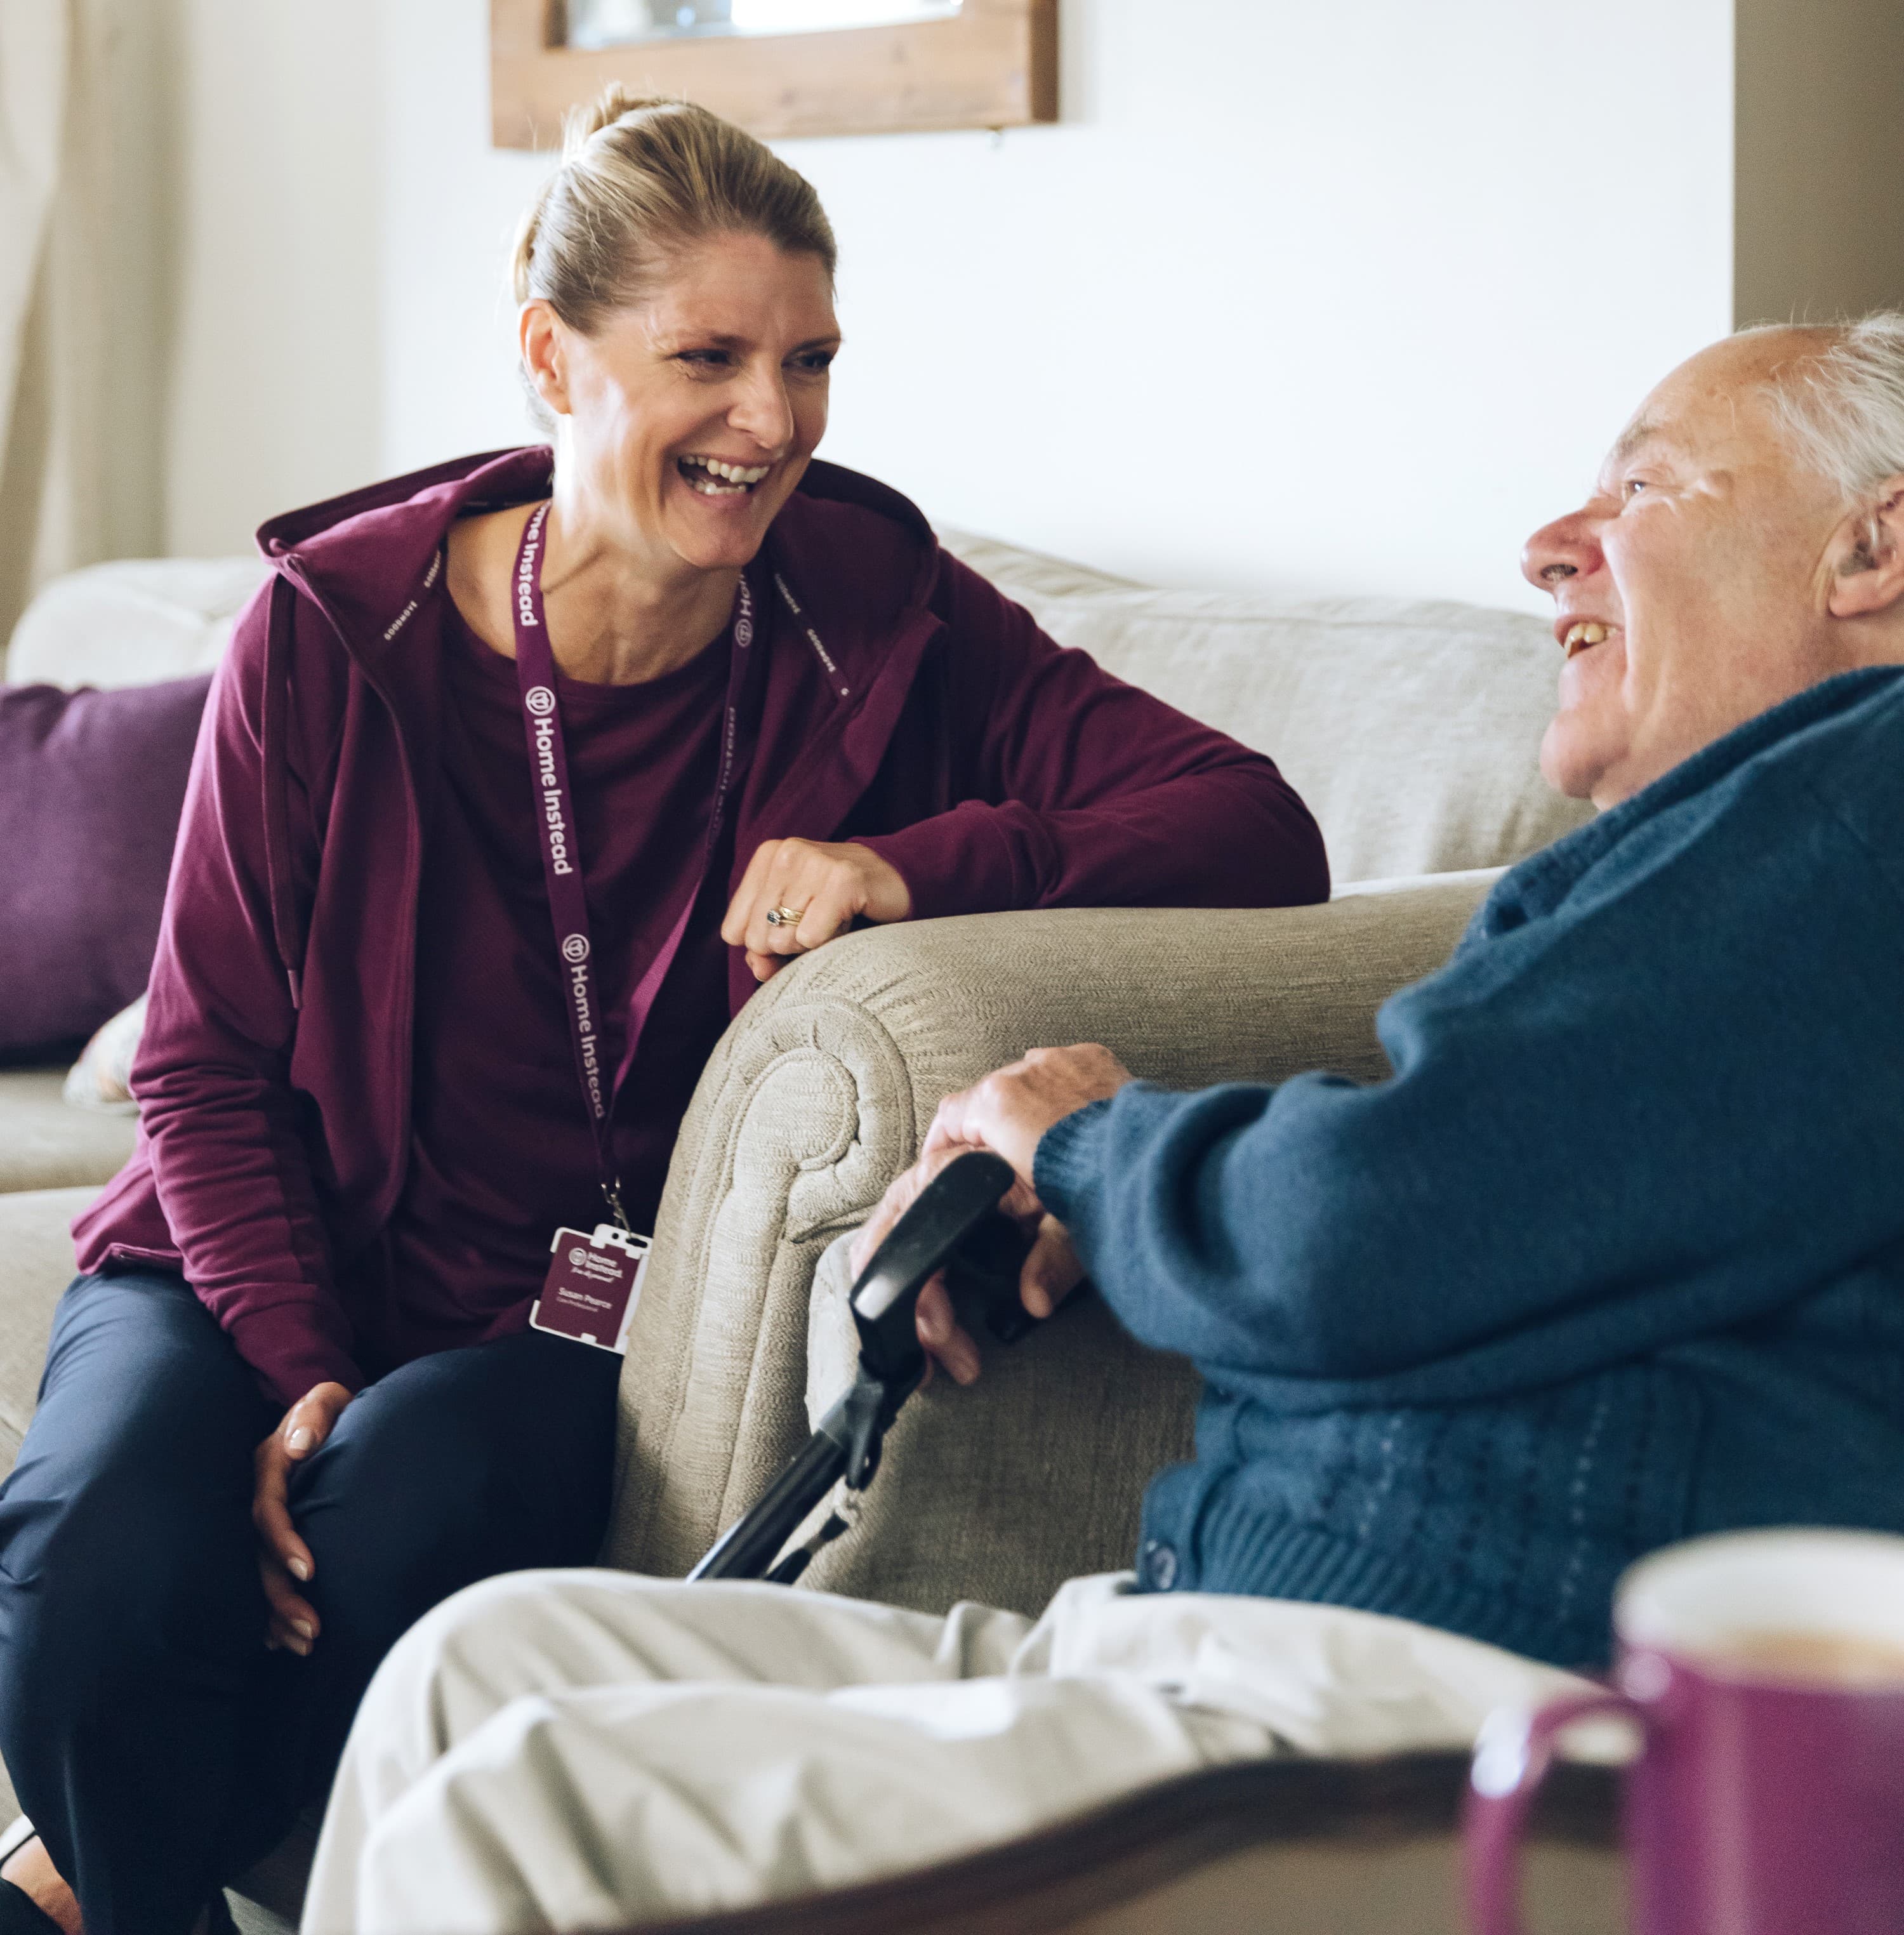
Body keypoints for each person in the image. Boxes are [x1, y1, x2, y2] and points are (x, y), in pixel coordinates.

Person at [298, 315, 1904, 1935]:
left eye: (1643, 488)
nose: (1553, 544)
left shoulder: (1860, 809)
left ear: (1873, 547)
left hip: (1447, 1710)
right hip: (1226, 1633)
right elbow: (1502, 1184)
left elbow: (1367, 1229)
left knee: (530, 1797)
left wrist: (1091, 1147)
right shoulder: (1708, 873)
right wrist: (1122, 1190)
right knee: (474, 1668)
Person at [0, 91, 1328, 1935]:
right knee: (96, 1580)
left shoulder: (880, 612)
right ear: (553, 356)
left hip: (557, 1318)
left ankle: (73, 1879)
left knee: (400, 1511)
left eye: (810, 359)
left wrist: (922, 863)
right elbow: (206, 1067)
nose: (771, 421)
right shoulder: (333, 633)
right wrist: (297, 1363)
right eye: (707, 357)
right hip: (252, 1257)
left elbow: (1257, 826)